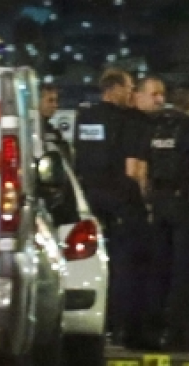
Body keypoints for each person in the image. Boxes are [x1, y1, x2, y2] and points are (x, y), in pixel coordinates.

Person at [73, 68, 151, 349]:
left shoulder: (84, 116)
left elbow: (79, 156)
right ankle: (122, 327)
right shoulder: (129, 120)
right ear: (114, 88)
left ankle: (97, 323)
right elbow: (133, 169)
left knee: (93, 263)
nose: (131, 93)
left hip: (90, 200)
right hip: (122, 200)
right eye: (129, 88)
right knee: (126, 265)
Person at [39, 83, 72, 162]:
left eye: (56, 101)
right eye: (50, 101)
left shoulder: (54, 132)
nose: (55, 105)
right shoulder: (32, 131)